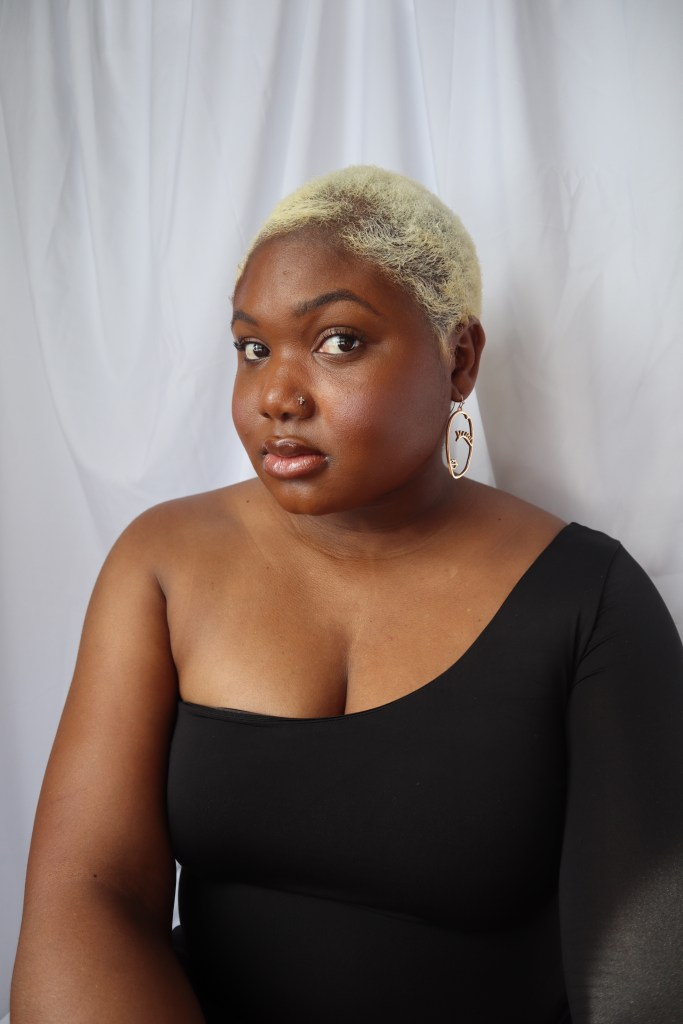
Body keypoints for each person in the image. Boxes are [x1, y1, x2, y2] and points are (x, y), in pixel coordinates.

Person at [10, 166, 683, 1024]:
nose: (276, 397)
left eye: (337, 342)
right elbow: (87, 899)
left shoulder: (587, 600)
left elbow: (642, 987)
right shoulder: (163, 563)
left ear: (458, 359)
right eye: (252, 349)